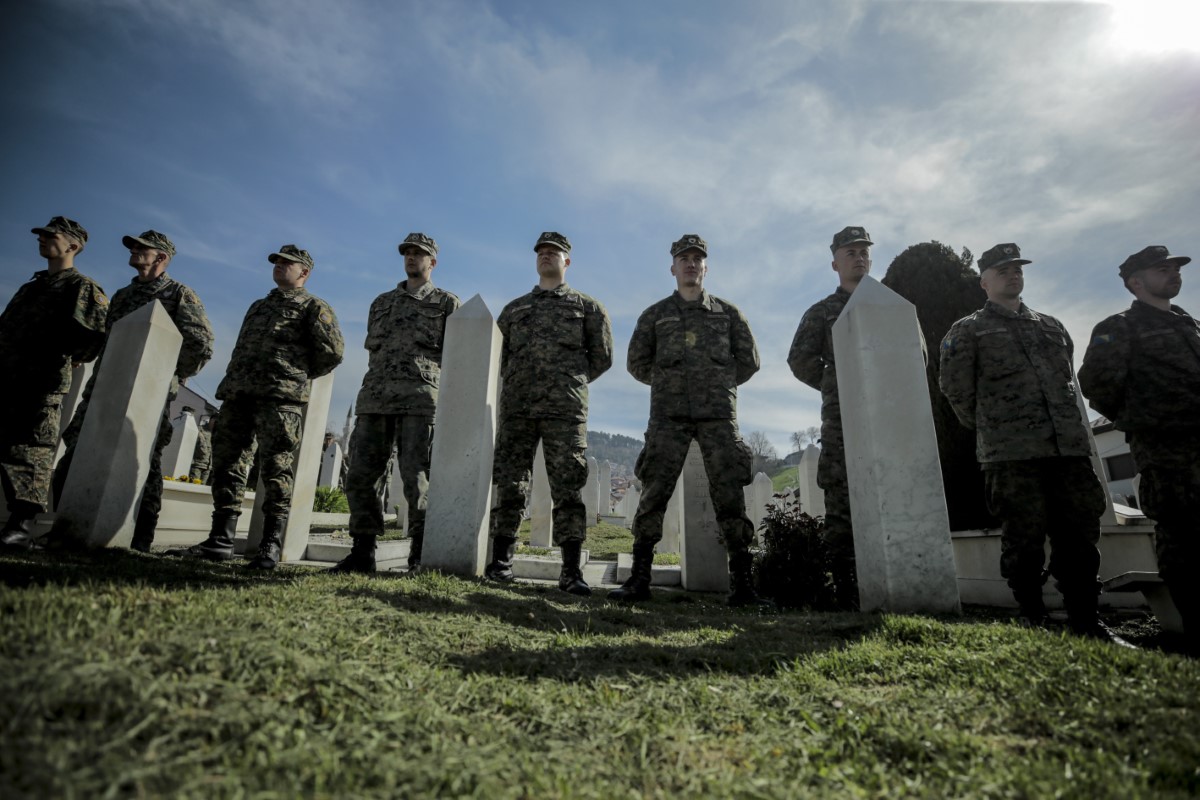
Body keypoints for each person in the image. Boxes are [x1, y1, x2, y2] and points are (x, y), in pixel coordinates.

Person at [939, 243, 1130, 645]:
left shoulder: (1051, 326)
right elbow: (956, 391)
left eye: (1018, 269)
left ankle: (1086, 620)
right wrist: (996, 429)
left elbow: (1066, 380)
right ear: (984, 281)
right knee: (1023, 539)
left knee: (1079, 535)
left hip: (1069, 451)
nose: (1013, 275)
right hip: (1012, 454)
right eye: (1003, 270)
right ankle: (1033, 615)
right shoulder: (967, 330)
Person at [169, 245, 343, 569]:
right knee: (227, 464)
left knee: (276, 468)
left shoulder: (313, 307)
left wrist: (293, 376)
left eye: (286, 263)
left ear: (304, 272)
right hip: (239, 394)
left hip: (279, 398)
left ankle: (270, 544)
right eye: (276, 262)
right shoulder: (259, 306)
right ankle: (220, 539)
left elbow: (332, 352)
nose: (279, 266)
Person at [612, 234, 763, 605]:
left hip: (718, 418)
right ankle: (639, 580)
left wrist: (717, 384)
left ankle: (743, 585)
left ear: (706, 267)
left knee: (729, 497)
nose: (691, 264)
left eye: (697, 258)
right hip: (668, 416)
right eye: (684, 258)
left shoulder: (728, 314)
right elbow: (636, 363)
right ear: (673, 267)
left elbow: (750, 361)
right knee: (653, 495)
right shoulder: (655, 315)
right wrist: (670, 384)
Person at [54, 230, 213, 551]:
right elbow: (103, 337)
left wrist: (169, 371)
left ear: (162, 258)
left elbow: (200, 343)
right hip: (104, 387)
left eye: (144, 248)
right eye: (134, 246)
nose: (136, 251)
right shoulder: (124, 295)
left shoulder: (180, 294)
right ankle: (68, 526)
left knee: (145, 456)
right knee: (78, 443)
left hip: (149, 393)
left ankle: (141, 535)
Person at [1078, 245, 1199, 649]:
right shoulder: (1120, 327)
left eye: (1175, 268)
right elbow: (1096, 385)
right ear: (1135, 282)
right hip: (1167, 449)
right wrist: (1146, 419)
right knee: (1182, 536)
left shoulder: (1191, 326)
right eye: (1161, 269)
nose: (1173, 274)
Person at [483, 232, 613, 595]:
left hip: (564, 409)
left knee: (568, 487)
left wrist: (567, 382)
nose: (545, 256)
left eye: (553, 252)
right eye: (540, 251)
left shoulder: (588, 307)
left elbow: (601, 358)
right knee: (510, 483)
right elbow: (501, 357)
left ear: (566, 260)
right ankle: (501, 563)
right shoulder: (514, 310)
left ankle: (570, 571)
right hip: (518, 409)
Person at [331, 232, 460, 574]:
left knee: (417, 478)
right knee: (361, 475)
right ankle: (362, 552)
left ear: (433, 262)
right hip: (375, 398)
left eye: (420, 254)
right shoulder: (382, 302)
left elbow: (458, 358)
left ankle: (419, 554)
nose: (412, 258)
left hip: (420, 401)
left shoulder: (447, 304)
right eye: (407, 253)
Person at [0, 217, 108, 549]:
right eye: (41, 236)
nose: (43, 241)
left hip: (42, 382)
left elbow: (96, 334)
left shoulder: (81, 287)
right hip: (8, 378)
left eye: (51, 236)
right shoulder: (31, 287)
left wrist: (73, 356)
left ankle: (21, 524)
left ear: (73, 245)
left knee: (31, 450)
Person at [786, 225, 873, 608]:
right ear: (835, 262)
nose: (859, 257)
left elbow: (914, 354)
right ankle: (846, 589)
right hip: (842, 419)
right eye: (850, 252)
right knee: (842, 500)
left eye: (864, 251)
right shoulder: (822, 312)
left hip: (888, 415)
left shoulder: (889, 305)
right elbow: (800, 359)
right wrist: (835, 381)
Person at [189, 412, 214, 484]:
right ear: (211, 420)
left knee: (202, 488)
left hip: (208, 466)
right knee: (193, 486)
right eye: (214, 421)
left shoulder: (215, 433)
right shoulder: (200, 429)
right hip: (198, 464)